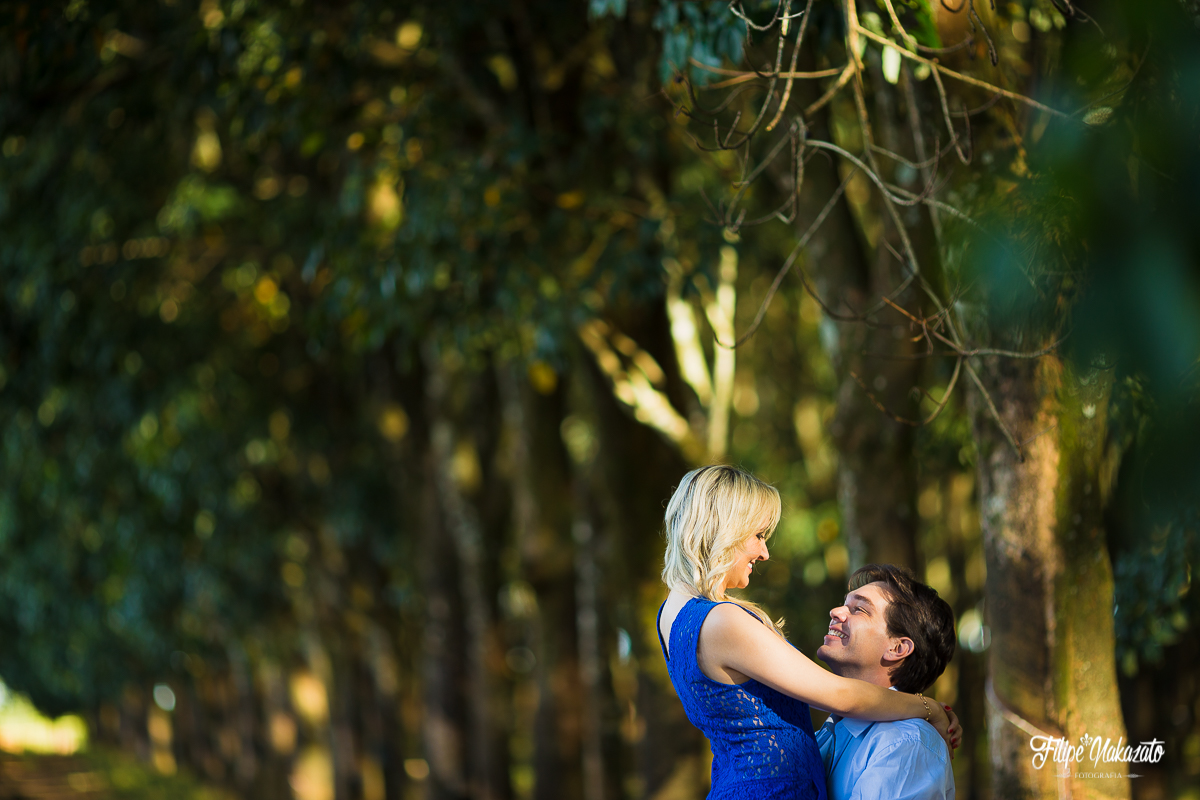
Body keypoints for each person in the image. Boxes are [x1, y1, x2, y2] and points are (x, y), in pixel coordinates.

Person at [656, 465, 958, 800]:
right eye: (757, 535)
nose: (764, 552)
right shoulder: (721, 622)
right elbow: (842, 695)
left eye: (859, 609)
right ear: (726, 528)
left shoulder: (673, 617)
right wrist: (929, 708)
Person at [815, 564, 958, 800]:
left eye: (859, 609)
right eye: (844, 604)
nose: (835, 611)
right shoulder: (831, 731)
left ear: (897, 647)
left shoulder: (906, 744)